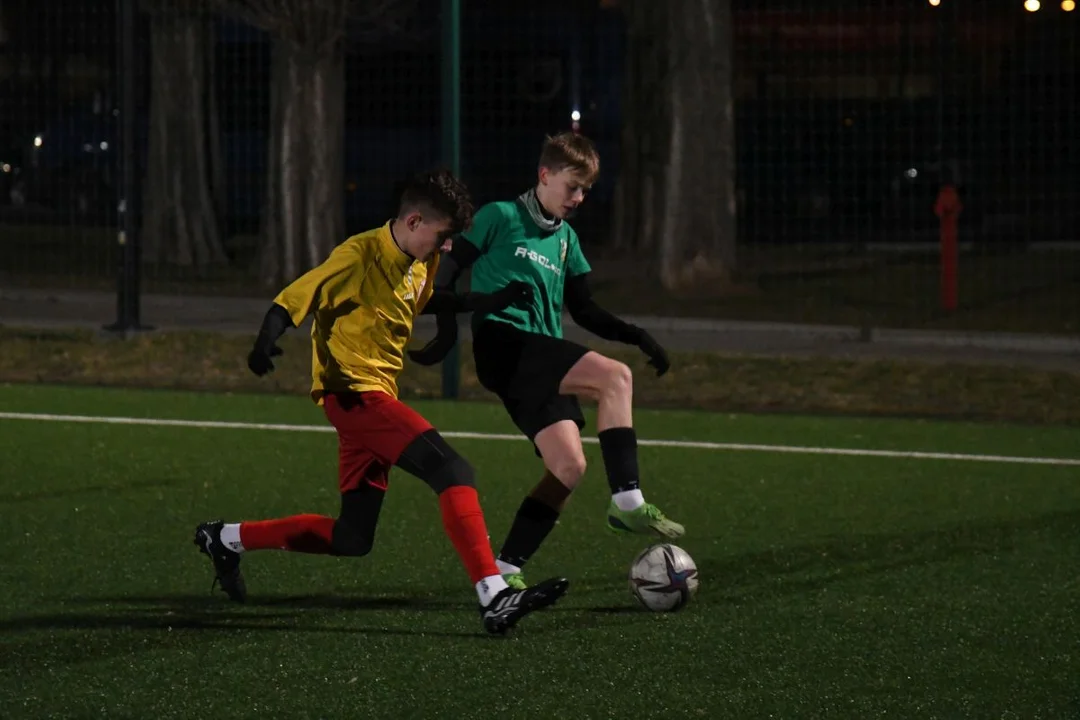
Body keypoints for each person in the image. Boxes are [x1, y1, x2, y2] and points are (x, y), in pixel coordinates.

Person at [194, 168, 568, 635]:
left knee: (353, 537)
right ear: (414, 222)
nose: (448, 246)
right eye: (444, 235)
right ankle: (493, 595)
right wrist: (264, 341)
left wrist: (484, 301)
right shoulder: (359, 254)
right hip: (352, 393)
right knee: (452, 471)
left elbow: (423, 301)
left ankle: (225, 538)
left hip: (374, 396)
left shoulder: (422, 258)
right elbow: (295, 298)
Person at [409, 133, 684, 592]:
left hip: (538, 356)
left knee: (569, 467)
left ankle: (505, 569)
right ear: (545, 175)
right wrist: (445, 330)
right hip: (503, 343)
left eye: (585, 191)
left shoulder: (566, 241)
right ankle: (627, 500)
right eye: (572, 186)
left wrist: (637, 336)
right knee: (615, 378)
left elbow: (586, 311)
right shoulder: (499, 216)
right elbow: (449, 272)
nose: (578, 198)